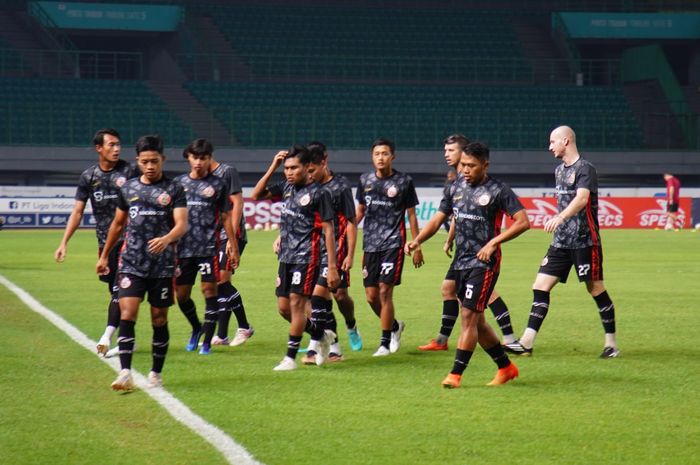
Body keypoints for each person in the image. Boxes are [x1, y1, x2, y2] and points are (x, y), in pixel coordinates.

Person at [405, 141, 530, 388]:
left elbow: (522, 222)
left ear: (485, 165)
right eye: (463, 164)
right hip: (460, 262)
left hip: (484, 263)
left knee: (468, 317)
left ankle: (455, 374)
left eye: (471, 165)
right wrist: (417, 240)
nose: (465, 169)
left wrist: (494, 242)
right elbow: (439, 217)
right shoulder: (455, 187)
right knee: (478, 322)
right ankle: (506, 367)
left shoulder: (498, 190)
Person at [505, 125, 620, 358]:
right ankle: (526, 342)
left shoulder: (586, 168)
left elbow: (582, 198)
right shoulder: (558, 171)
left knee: (595, 288)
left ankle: (612, 345)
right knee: (540, 286)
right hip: (560, 243)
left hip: (585, 241)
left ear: (566, 141)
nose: (549, 147)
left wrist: (560, 216)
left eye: (552, 142)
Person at [96, 135, 188, 390]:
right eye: (145, 161)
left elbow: (182, 224)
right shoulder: (128, 189)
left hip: (162, 265)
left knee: (159, 318)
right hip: (131, 262)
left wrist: (166, 238)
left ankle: (156, 372)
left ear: (163, 160)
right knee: (128, 314)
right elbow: (117, 224)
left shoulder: (174, 189)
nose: (150, 166)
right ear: (138, 161)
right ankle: (124, 372)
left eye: (154, 161)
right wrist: (104, 255)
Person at [419, 134, 518, 352]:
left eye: (451, 151)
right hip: (463, 251)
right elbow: (458, 212)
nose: (447, 155)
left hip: (481, 253)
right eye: (445, 151)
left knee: (483, 297)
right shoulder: (455, 182)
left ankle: (509, 338)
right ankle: (443, 340)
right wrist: (450, 237)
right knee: (451, 291)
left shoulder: (484, 183)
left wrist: (491, 243)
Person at [251, 145, 339, 371]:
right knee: (284, 308)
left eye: (294, 168)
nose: (289, 172)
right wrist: (273, 167)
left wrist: (332, 266)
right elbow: (256, 195)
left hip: (307, 256)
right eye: (286, 168)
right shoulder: (287, 187)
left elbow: (329, 230)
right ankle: (322, 335)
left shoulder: (320, 194)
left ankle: (290, 358)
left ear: (308, 168)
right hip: (286, 256)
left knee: (297, 303)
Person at [55, 128, 136, 358]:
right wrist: (64, 242)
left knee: (122, 289)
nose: (116, 148)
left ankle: (109, 337)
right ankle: (127, 338)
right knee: (116, 290)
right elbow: (78, 212)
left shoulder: (130, 171)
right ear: (99, 148)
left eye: (118, 144)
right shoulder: (89, 177)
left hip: (130, 241)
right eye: (111, 144)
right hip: (105, 243)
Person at [355, 138, 423, 357]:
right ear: (372, 157)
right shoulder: (364, 180)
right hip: (370, 245)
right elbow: (360, 212)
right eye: (377, 154)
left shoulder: (404, 181)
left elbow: (411, 215)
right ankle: (394, 326)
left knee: (385, 291)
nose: (381, 157)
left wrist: (417, 243)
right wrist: (341, 235)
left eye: (385, 153)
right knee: (371, 297)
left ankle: (384, 343)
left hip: (393, 243)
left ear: (392, 156)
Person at [299, 141, 361, 364]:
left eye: (312, 170)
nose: (309, 175)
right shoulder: (307, 186)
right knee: (317, 299)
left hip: (337, 247)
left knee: (339, 296)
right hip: (312, 250)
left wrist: (350, 254)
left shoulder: (340, 186)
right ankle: (333, 347)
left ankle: (350, 325)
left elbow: (352, 222)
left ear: (324, 163)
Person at [174, 140, 235, 355]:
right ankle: (196, 328)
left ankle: (207, 342)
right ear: (188, 158)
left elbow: (227, 217)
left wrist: (233, 245)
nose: (199, 162)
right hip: (182, 250)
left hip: (209, 248)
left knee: (209, 291)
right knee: (181, 295)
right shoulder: (178, 184)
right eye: (195, 157)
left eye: (203, 158)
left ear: (209, 158)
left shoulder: (218, 185)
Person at [209, 149, 255, 347]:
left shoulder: (227, 172)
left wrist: (231, 238)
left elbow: (238, 203)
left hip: (231, 236)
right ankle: (221, 335)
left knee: (222, 280)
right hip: (212, 237)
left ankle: (244, 326)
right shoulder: (202, 178)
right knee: (219, 284)